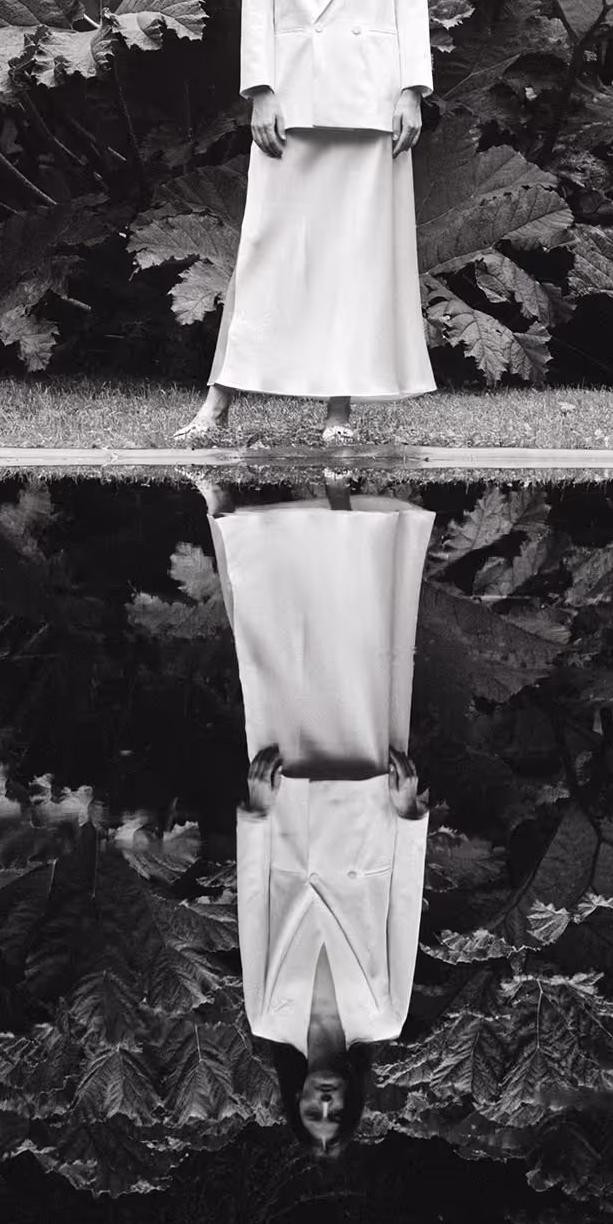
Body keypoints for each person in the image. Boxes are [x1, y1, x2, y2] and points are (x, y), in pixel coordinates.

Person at [175, 0, 436, 448]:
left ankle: (338, 411)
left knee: (353, 253)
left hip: (369, 92)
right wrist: (259, 88)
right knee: (266, 243)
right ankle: (218, 401)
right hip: (290, 93)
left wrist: (413, 88)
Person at [197, 473, 432, 1154]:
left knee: (271, 668)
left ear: (295, 1100)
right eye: (335, 1114)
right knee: (359, 659)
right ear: (353, 1102)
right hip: (364, 814)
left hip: (292, 813)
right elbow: (403, 909)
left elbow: (253, 908)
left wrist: (257, 814)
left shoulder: (268, 1015)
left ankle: (226, 510)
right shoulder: (384, 1016)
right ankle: (346, 504)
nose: (323, 1105)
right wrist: (408, 815)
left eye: (311, 1114)